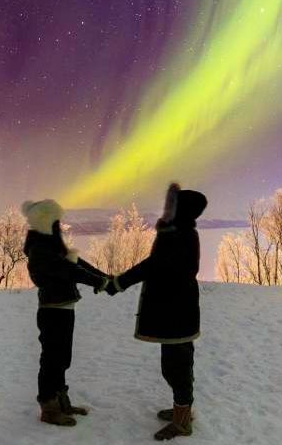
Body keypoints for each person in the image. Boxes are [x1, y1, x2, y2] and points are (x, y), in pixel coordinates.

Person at [107, 183, 205, 440]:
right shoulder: (179, 231)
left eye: (171, 206)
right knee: (176, 364)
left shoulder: (179, 233)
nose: (166, 210)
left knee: (177, 366)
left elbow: (154, 265)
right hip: (175, 310)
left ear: (179, 210)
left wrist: (118, 283)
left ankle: (182, 420)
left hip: (176, 311)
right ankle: (181, 409)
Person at [22, 198, 113, 427]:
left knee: (62, 357)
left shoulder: (52, 245)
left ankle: (61, 400)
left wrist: (104, 278)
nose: (59, 225)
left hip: (63, 307)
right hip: (52, 310)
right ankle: (48, 407)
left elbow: (77, 263)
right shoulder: (40, 248)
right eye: (55, 221)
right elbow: (68, 269)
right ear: (45, 221)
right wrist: (98, 282)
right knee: (52, 358)